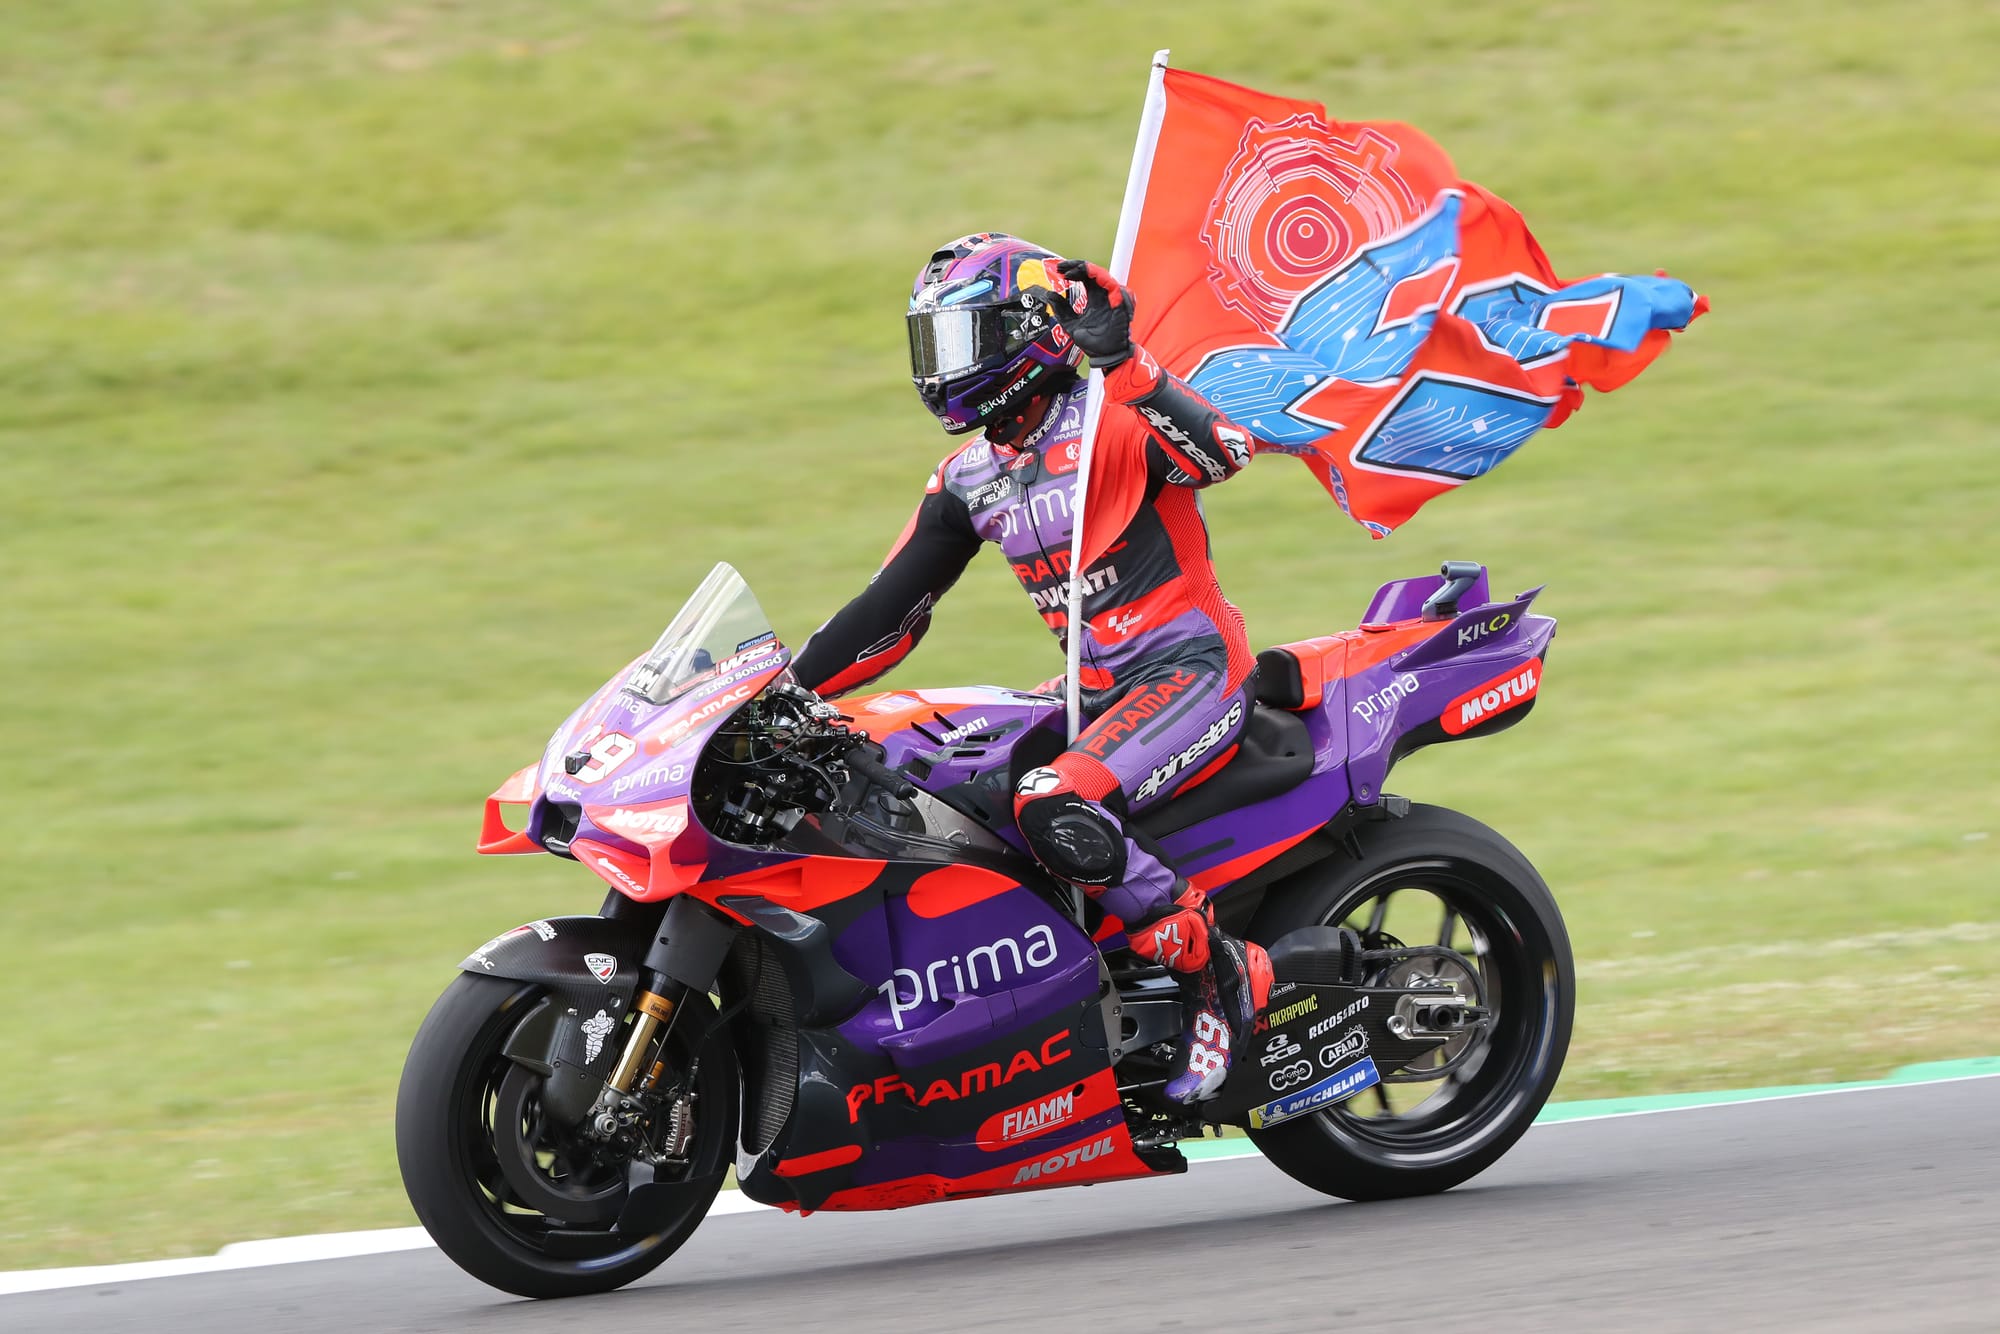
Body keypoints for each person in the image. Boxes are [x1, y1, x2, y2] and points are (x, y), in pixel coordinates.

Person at [792, 232, 1273, 1105]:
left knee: (1055, 798)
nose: (941, 368)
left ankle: (1219, 970)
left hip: (1188, 670)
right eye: (929, 344)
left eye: (961, 341)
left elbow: (1225, 453)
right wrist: (780, 695)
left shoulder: (1113, 420)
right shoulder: (970, 477)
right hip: (1090, 690)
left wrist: (1125, 361)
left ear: (1028, 332)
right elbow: (887, 616)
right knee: (929, 776)